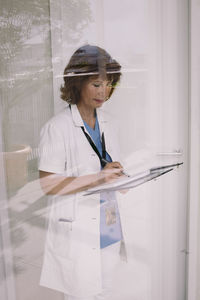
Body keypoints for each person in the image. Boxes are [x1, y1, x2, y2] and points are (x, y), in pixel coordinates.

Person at [38, 45, 127, 300]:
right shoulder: (57, 128)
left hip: (108, 224)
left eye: (109, 83)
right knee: (82, 293)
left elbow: (108, 167)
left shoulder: (110, 122)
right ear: (78, 83)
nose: (104, 91)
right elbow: (48, 185)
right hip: (78, 230)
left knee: (107, 290)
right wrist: (100, 177)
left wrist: (120, 177)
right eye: (96, 83)